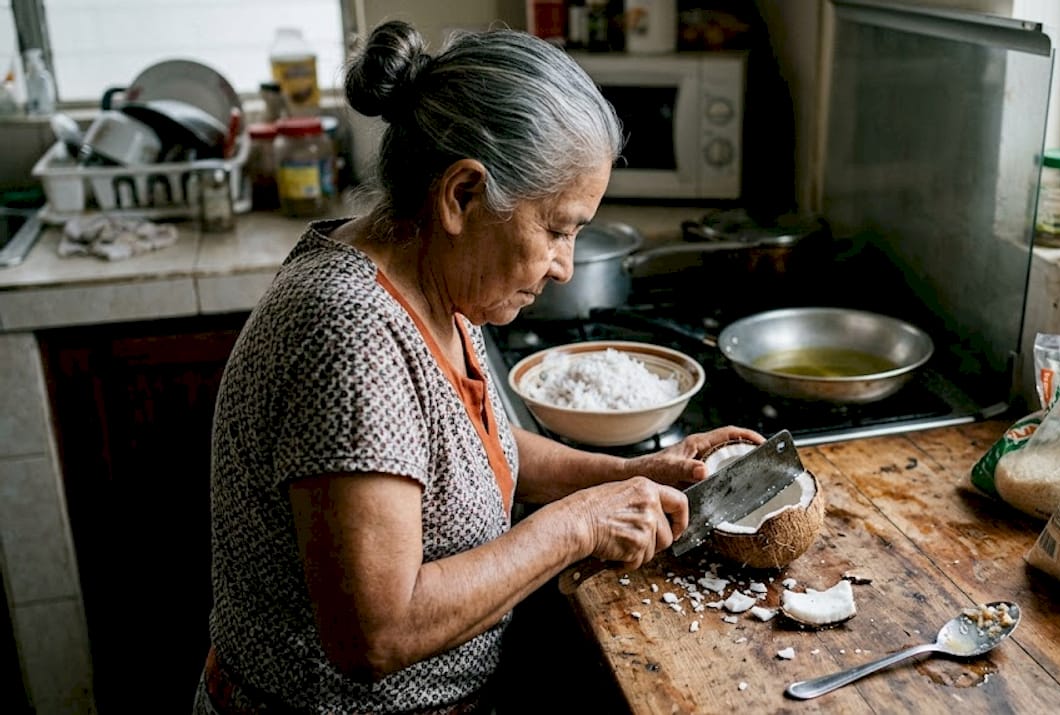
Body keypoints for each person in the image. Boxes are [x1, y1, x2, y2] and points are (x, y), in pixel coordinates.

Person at [193, 19, 762, 715]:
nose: (565, 266)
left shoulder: (429, 276)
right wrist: (577, 524)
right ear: (461, 195)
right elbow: (376, 631)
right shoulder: (349, 332)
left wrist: (630, 474)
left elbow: (467, 440)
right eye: (556, 229)